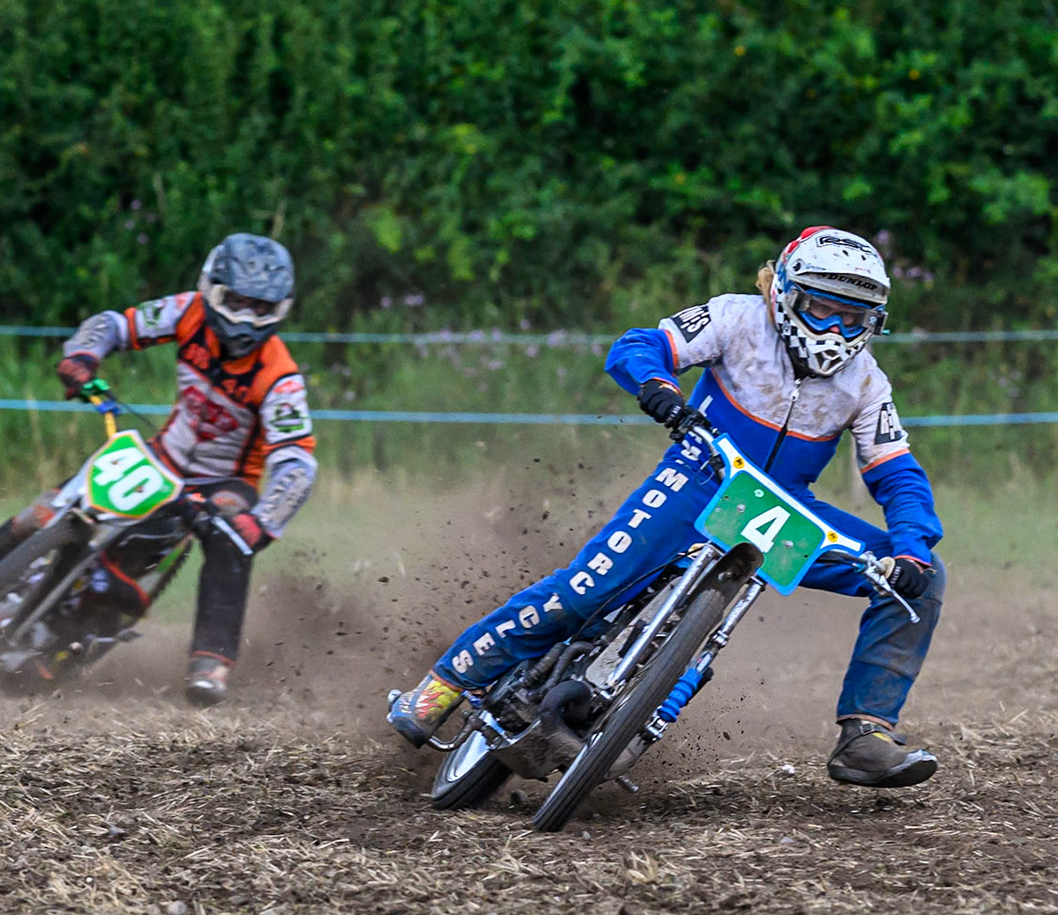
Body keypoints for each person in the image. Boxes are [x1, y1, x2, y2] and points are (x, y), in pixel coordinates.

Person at [387, 226, 945, 788]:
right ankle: (444, 685)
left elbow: (897, 473)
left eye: (854, 319)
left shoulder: (867, 383)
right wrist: (659, 387)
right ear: (783, 294)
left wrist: (912, 549)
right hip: (700, 475)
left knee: (920, 580)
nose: (834, 330)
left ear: (874, 323)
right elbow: (640, 345)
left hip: (783, 512)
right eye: (822, 309)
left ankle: (865, 734)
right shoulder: (735, 318)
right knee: (585, 591)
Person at [0, 233, 317, 705]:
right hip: (162, 454)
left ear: (281, 308)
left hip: (228, 481)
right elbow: (116, 324)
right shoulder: (186, 312)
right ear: (211, 289)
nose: (244, 317)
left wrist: (261, 523)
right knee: (38, 516)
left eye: (260, 308)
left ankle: (210, 663)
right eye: (235, 301)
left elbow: (296, 462)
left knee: (230, 539)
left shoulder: (280, 378)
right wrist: (83, 355)